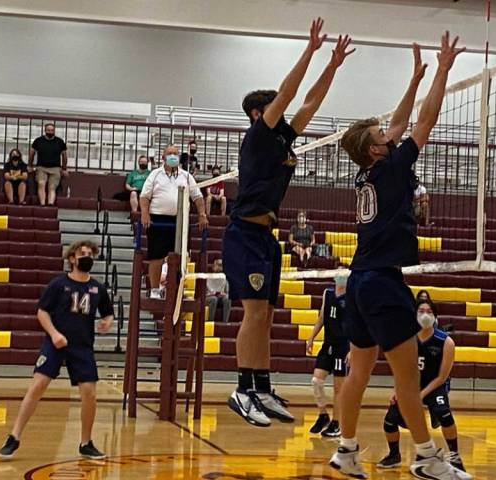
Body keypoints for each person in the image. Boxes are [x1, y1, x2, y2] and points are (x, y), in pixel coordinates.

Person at [334, 34, 469, 480]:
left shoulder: (368, 171)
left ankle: (346, 450)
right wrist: (444, 71)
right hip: (382, 283)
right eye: (382, 134)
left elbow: (399, 122)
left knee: (359, 372)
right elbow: (424, 121)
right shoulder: (391, 166)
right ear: (376, 147)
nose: (389, 132)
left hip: (359, 281)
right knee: (407, 381)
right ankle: (429, 459)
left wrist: (414, 77)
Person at [221, 18, 354, 428]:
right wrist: (310, 51)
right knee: (253, 313)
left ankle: (261, 386)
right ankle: (243, 390)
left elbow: (309, 102)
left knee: (267, 316)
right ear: (260, 113)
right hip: (243, 232)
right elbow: (292, 91)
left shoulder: (283, 137)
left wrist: (331, 65)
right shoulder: (259, 135)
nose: (285, 108)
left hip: (265, 236)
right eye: (275, 105)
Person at [0, 240, 114, 461]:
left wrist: (108, 322)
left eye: (90, 254)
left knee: (89, 393)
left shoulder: (98, 288)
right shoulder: (59, 285)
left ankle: (86, 442)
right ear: (71, 259)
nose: (87, 257)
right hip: (55, 343)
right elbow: (42, 312)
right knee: (37, 386)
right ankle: (13, 437)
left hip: (82, 346)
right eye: (82, 253)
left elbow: (108, 313)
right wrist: (54, 334)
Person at [378, 299, 466, 473]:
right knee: (389, 421)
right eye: (421, 311)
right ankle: (394, 455)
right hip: (411, 384)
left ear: (435, 316)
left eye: (429, 311)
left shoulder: (446, 342)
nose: (425, 314)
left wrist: (421, 395)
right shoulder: (406, 339)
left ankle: (455, 456)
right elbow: (401, 368)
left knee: (444, 414)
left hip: (434, 385)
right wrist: (397, 390)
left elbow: (442, 377)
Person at [140, 144, 208, 299]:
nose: (172, 156)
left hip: (180, 221)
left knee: (180, 256)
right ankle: (155, 290)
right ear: (163, 157)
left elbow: (198, 197)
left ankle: (177, 289)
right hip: (158, 220)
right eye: (169, 153)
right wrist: (145, 214)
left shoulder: (186, 176)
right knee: (156, 256)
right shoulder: (155, 175)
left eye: (175, 154)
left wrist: (202, 214)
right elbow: (144, 197)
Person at [306, 273, 350, 438]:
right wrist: (311, 337)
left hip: (343, 346)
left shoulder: (352, 297)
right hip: (328, 344)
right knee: (316, 381)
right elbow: (322, 318)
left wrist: (352, 350)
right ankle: (323, 415)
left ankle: (336, 423)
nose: (340, 277)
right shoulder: (327, 293)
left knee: (339, 389)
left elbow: (355, 325)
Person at [29, 123, 68, 206]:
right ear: (45, 130)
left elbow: (64, 155)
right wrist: (30, 165)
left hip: (55, 168)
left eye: (52, 130)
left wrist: (64, 169)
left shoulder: (60, 142)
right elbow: (32, 153)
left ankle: (50, 203)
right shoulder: (38, 141)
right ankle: (42, 204)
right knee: (41, 184)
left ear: (54, 131)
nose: (50, 132)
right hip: (41, 167)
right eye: (48, 130)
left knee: (52, 187)